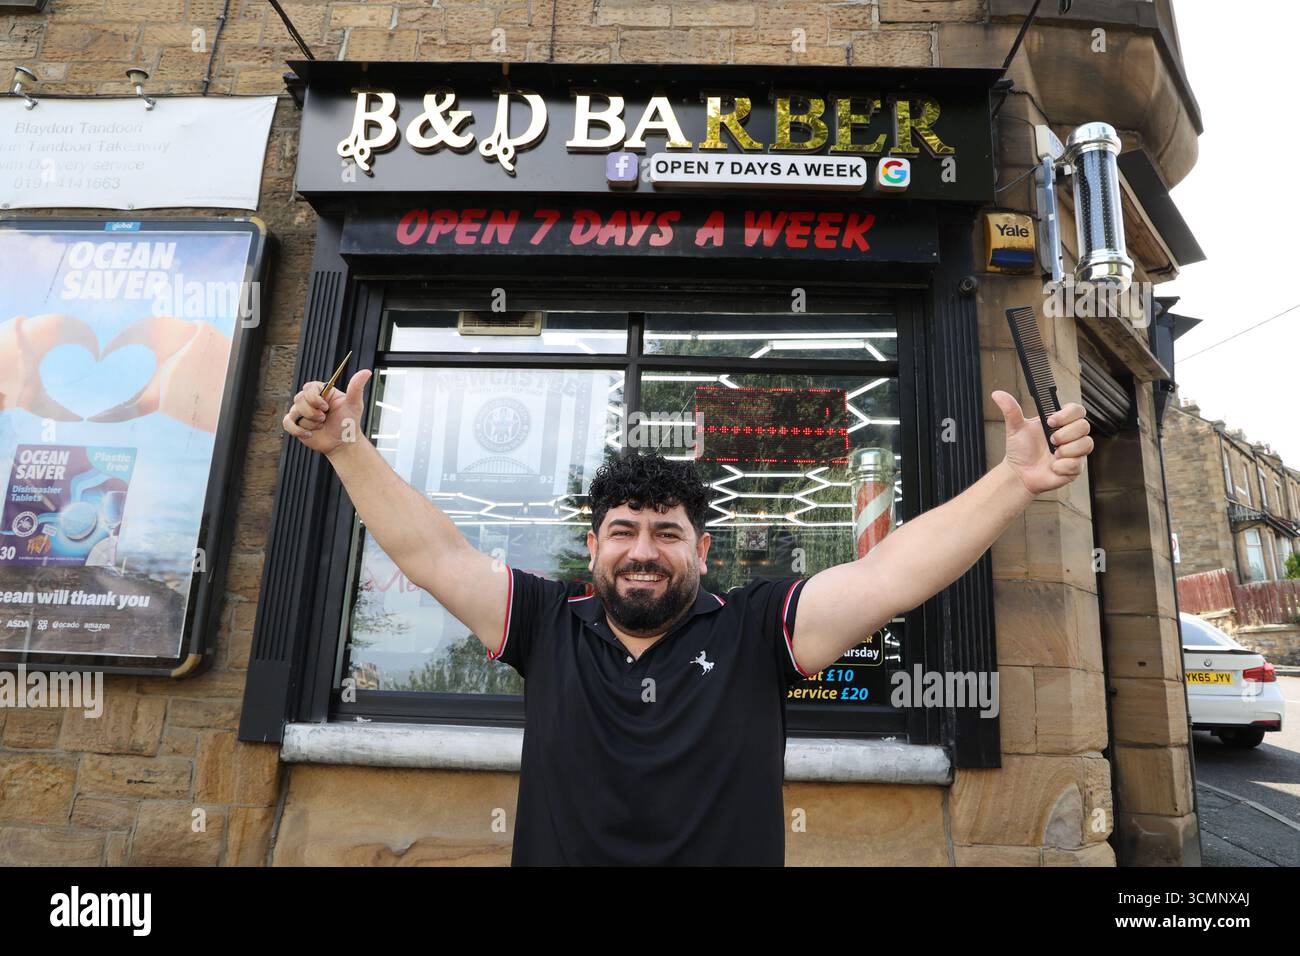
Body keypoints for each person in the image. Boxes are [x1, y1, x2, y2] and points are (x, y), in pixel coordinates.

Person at [284, 369, 1093, 865]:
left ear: (702, 550)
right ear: (592, 545)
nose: (644, 551)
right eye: (624, 533)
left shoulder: (755, 629)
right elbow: (434, 556)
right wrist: (348, 447)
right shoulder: (544, 620)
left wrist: (1015, 483)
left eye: (666, 533)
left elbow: (890, 575)